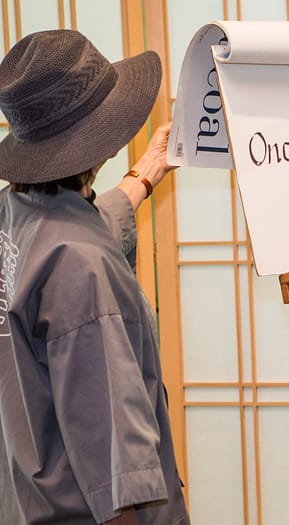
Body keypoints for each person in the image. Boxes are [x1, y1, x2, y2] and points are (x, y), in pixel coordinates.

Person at [0, 30, 190, 524]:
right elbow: (116, 476)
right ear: (97, 138)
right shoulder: (83, 269)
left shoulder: (14, 215)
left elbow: (68, 234)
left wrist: (146, 173)